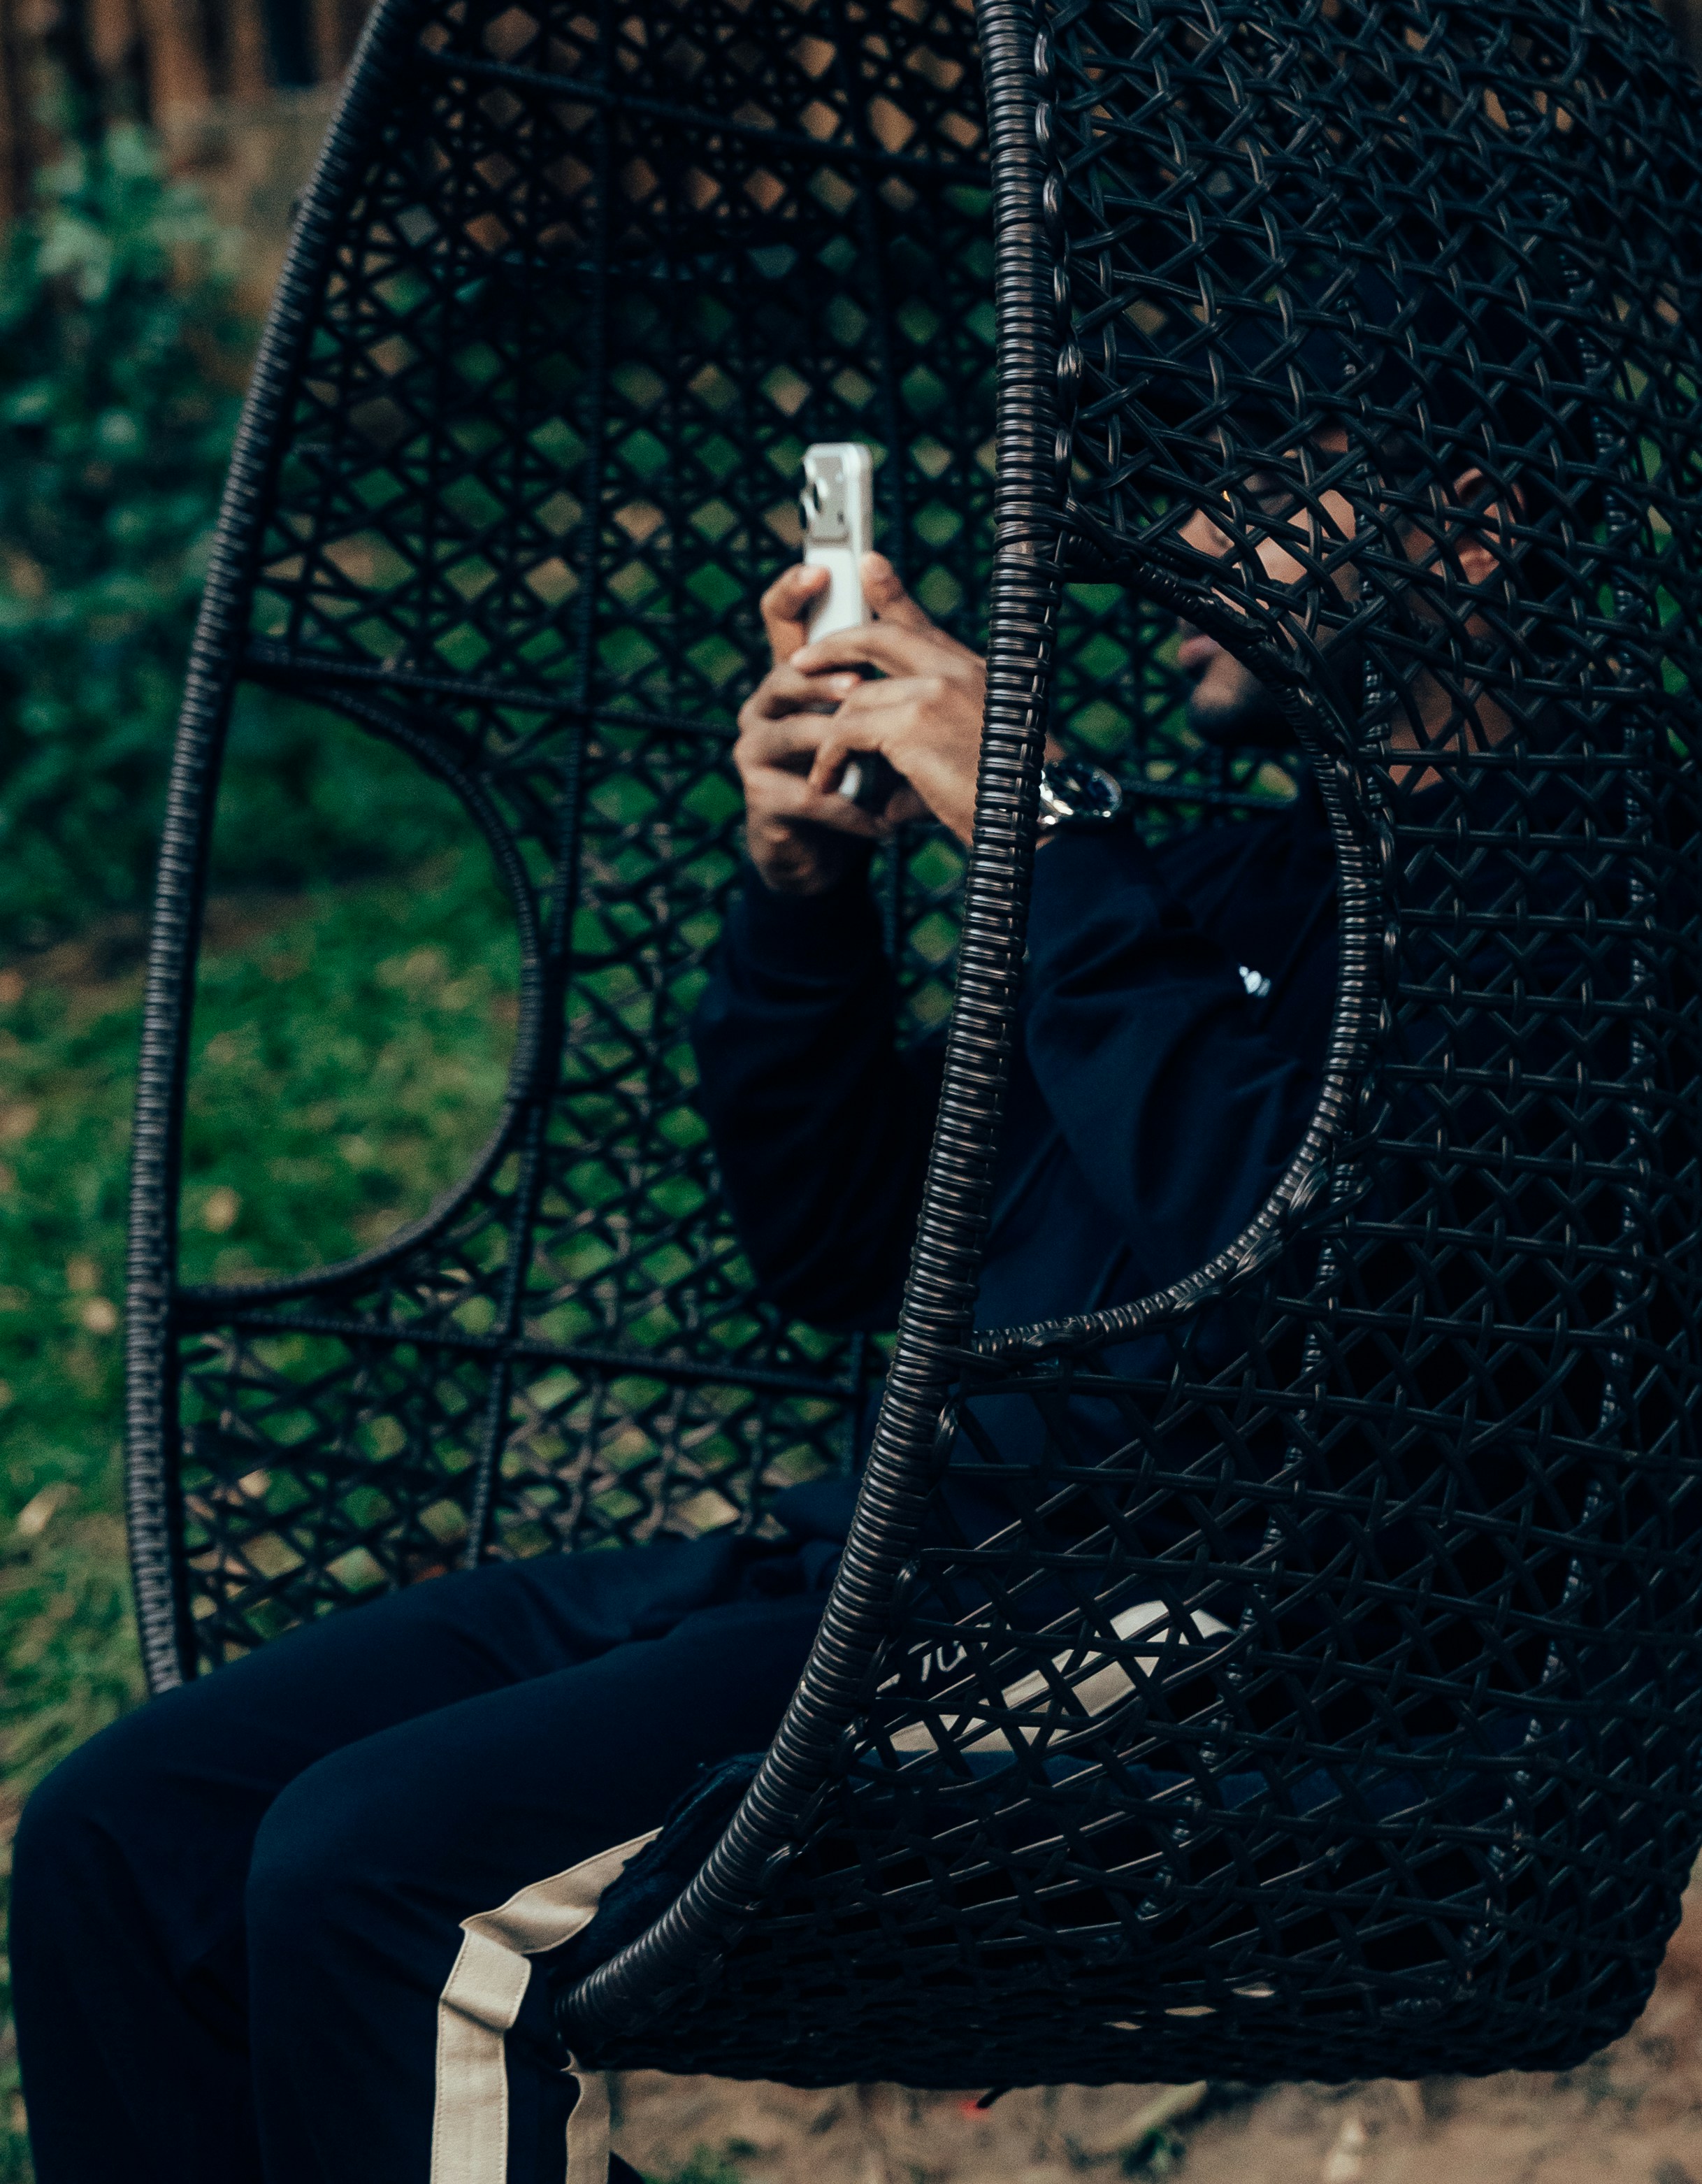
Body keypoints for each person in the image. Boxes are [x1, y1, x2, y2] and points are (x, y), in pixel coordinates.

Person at [8, 434, 1514, 2184]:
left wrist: (1036, 823)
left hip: (1190, 1622)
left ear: (1471, 526)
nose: (1178, 545)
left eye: (1256, 485)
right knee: (126, 1835)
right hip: (870, 1564)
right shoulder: (1229, 877)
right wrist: (806, 907)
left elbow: (1314, 1263)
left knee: (379, 1877)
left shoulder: (1590, 891)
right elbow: (839, 1238)